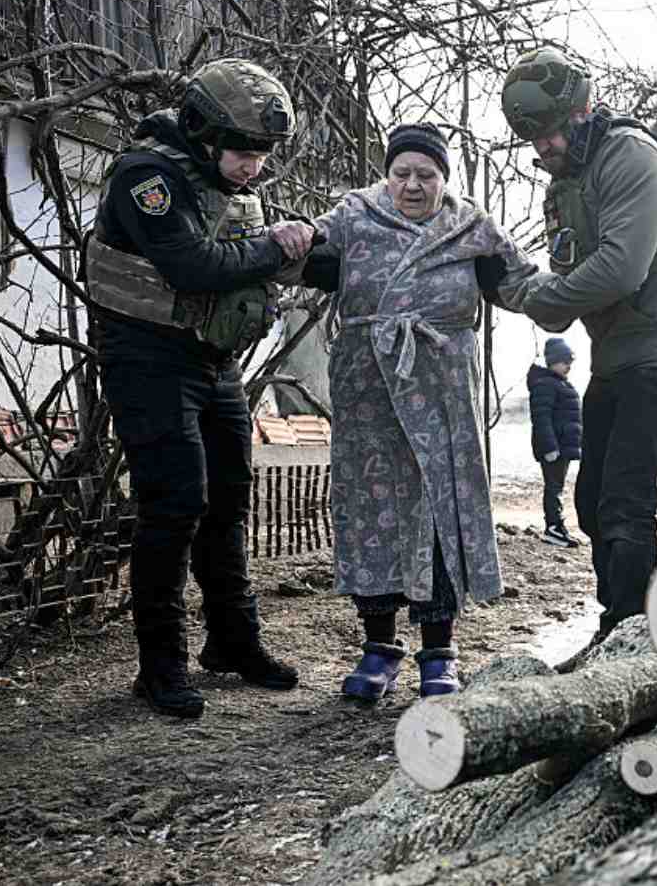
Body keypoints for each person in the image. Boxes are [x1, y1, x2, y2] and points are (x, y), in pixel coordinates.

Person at [85, 58, 314, 719]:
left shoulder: (224, 183)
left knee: (229, 500)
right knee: (175, 503)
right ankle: (160, 668)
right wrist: (278, 246)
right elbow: (193, 265)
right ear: (202, 131)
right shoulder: (147, 176)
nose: (254, 168)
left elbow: (263, 256)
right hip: (148, 360)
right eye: (244, 152)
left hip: (213, 361)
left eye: (263, 155)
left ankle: (233, 642)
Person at [302, 122, 538, 701]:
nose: (413, 184)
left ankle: (439, 652)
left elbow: (524, 286)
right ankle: (379, 648)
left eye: (426, 175)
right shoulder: (353, 216)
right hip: (368, 390)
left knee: (439, 510)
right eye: (402, 173)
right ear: (387, 176)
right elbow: (298, 253)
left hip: (442, 392)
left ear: (443, 179)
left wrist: (591, 285)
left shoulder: (472, 227)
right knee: (372, 509)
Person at [490, 46, 657, 641]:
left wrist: (536, 298)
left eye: (550, 132)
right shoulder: (568, 183)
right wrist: (514, 287)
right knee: (591, 499)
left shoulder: (632, 157)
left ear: (582, 111)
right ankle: (620, 618)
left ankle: (629, 632)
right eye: (532, 138)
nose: (543, 147)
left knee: (624, 497)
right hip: (619, 357)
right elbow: (569, 287)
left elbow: (619, 270)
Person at [528, 336, 583, 548]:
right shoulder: (545, 384)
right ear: (553, 361)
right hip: (554, 449)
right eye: (565, 361)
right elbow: (541, 418)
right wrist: (550, 448)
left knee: (556, 487)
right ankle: (553, 528)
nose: (569, 366)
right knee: (553, 487)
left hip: (562, 447)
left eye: (570, 362)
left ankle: (556, 526)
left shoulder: (558, 382)